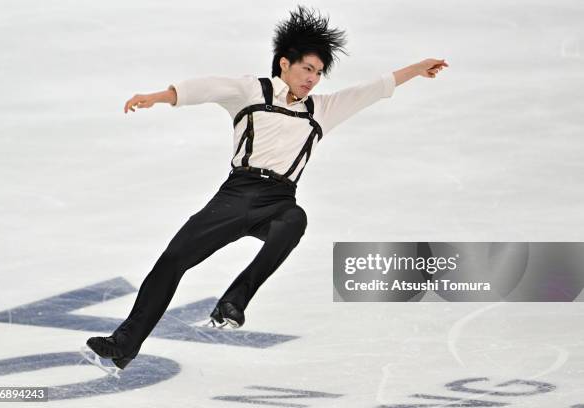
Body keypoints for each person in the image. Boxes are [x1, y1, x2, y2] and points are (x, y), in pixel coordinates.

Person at [84, 5, 448, 371]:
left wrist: (416, 70)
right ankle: (125, 343)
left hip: (278, 202)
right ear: (284, 63)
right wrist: (160, 96)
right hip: (235, 196)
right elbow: (207, 87)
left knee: (296, 220)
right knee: (173, 260)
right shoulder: (251, 91)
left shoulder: (321, 110)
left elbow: (371, 90)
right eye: (307, 68)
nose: (313, 79)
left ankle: (234, 301)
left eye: (319, 73)